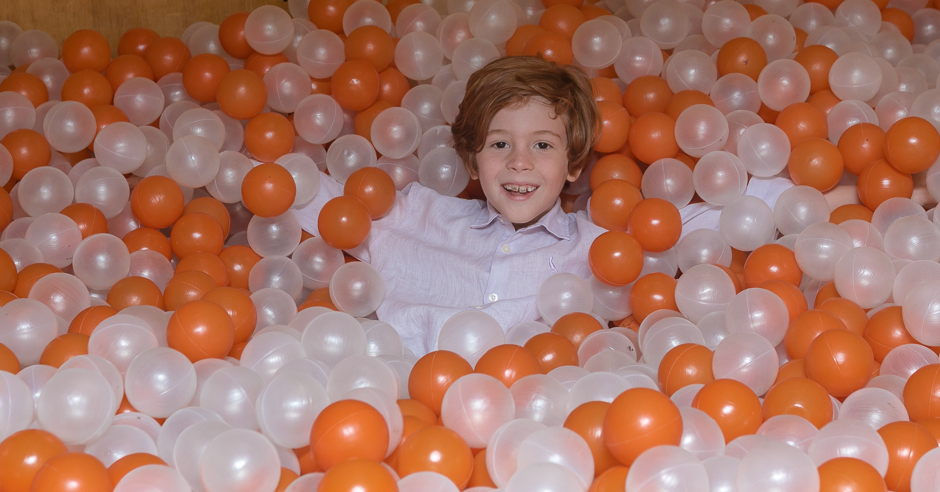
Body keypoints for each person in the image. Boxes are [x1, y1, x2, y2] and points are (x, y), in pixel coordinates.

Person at [297, 55, 791, 356]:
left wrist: (831, 202)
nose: (519, 163)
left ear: (574, 164)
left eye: (542, 146)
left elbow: (724, 216)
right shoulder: (417, 216)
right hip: (399, 394)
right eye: (498, 145)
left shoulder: (601, 247)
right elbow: (305, 195)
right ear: (472, 160)